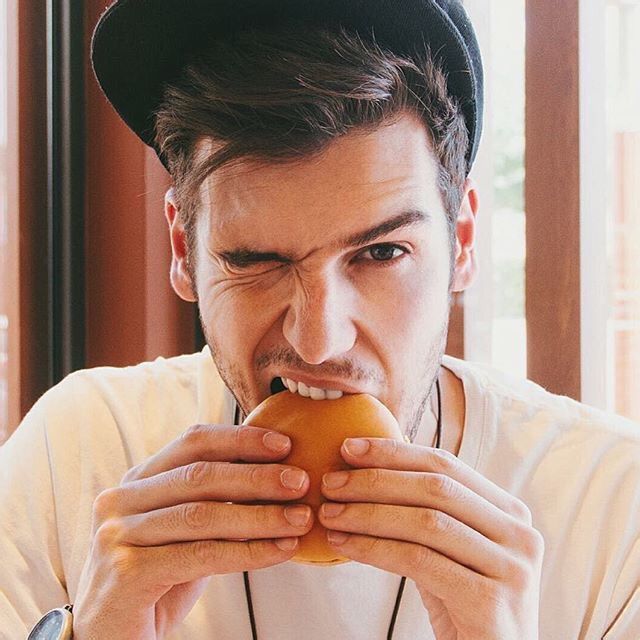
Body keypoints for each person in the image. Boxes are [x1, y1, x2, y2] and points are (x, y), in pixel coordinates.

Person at [2, 1, 639, 638]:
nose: (317, 341)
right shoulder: (81, 455)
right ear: (182, 251)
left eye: (381, 253)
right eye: (255, 260)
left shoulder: (612, 509)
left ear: (463, 242)